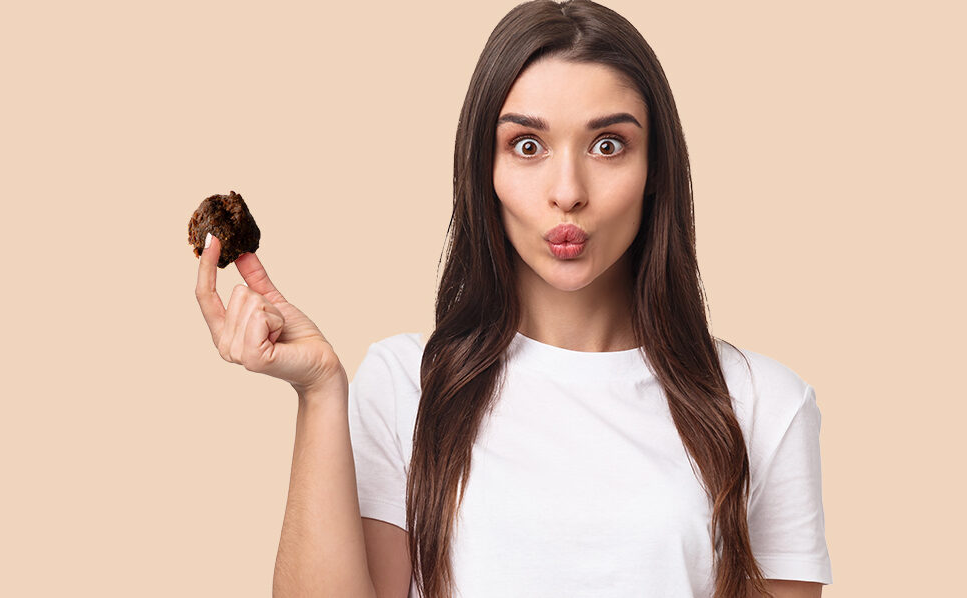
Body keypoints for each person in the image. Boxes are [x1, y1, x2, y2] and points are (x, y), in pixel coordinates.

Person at [193, 1, 831, 596]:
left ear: (655, 170)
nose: (567, 190)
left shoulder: (762, 404)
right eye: (527, 145)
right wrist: (321, 391)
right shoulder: (405, 386)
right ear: (484, 170)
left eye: (608, 145)